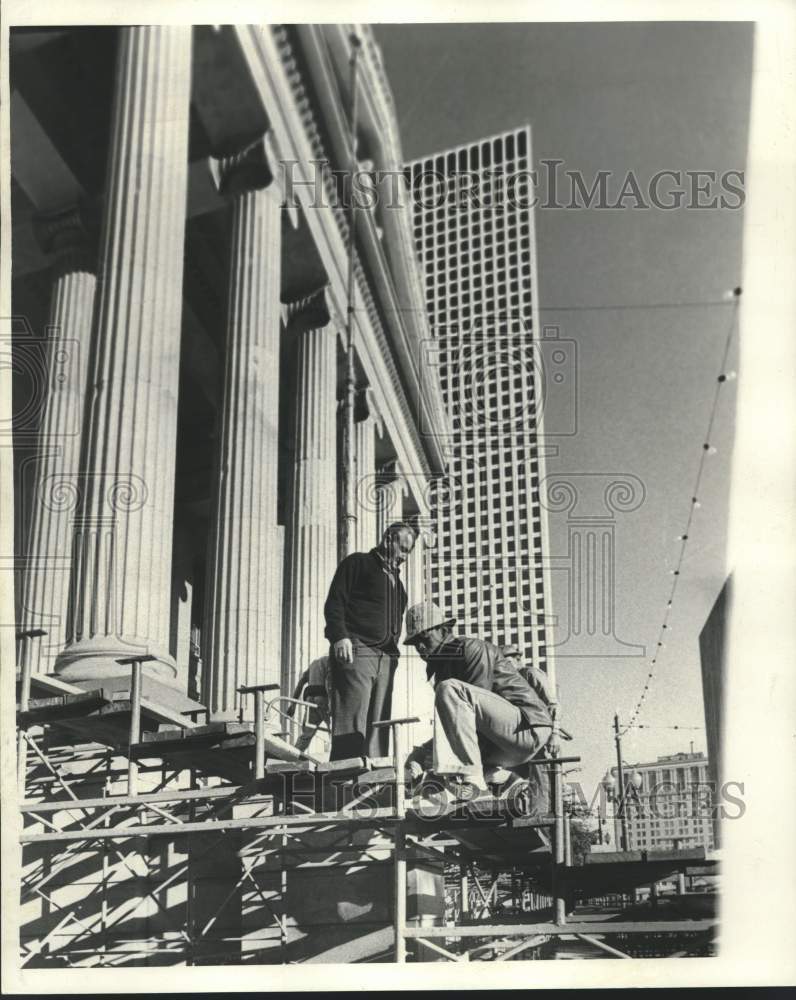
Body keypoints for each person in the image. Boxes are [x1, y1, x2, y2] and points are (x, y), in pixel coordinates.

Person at [404, 603, 553, 798]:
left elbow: (474, 722)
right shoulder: (441, 668)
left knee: (449, 689)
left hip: (527, 726)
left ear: (444, 630)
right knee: (440, 761)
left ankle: (474, 780)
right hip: (503, 746)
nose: (420, 646)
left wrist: (441, 765)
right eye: (415, 643)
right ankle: (501, 777)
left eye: (424, 637)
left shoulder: (470, 649)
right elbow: (460, 727)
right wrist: (422, 754)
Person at [323, 522, 417, 759]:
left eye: (409, 552)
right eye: (403, 549)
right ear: (388, 540)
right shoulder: (358, 563)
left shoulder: (400, 586)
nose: (405, 557)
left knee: (380, 722)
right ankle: (344, 775)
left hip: (387, 656)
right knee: (353, 717)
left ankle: (373, 780)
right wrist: (340, 637)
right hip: (359, 648)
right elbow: (335, 602)